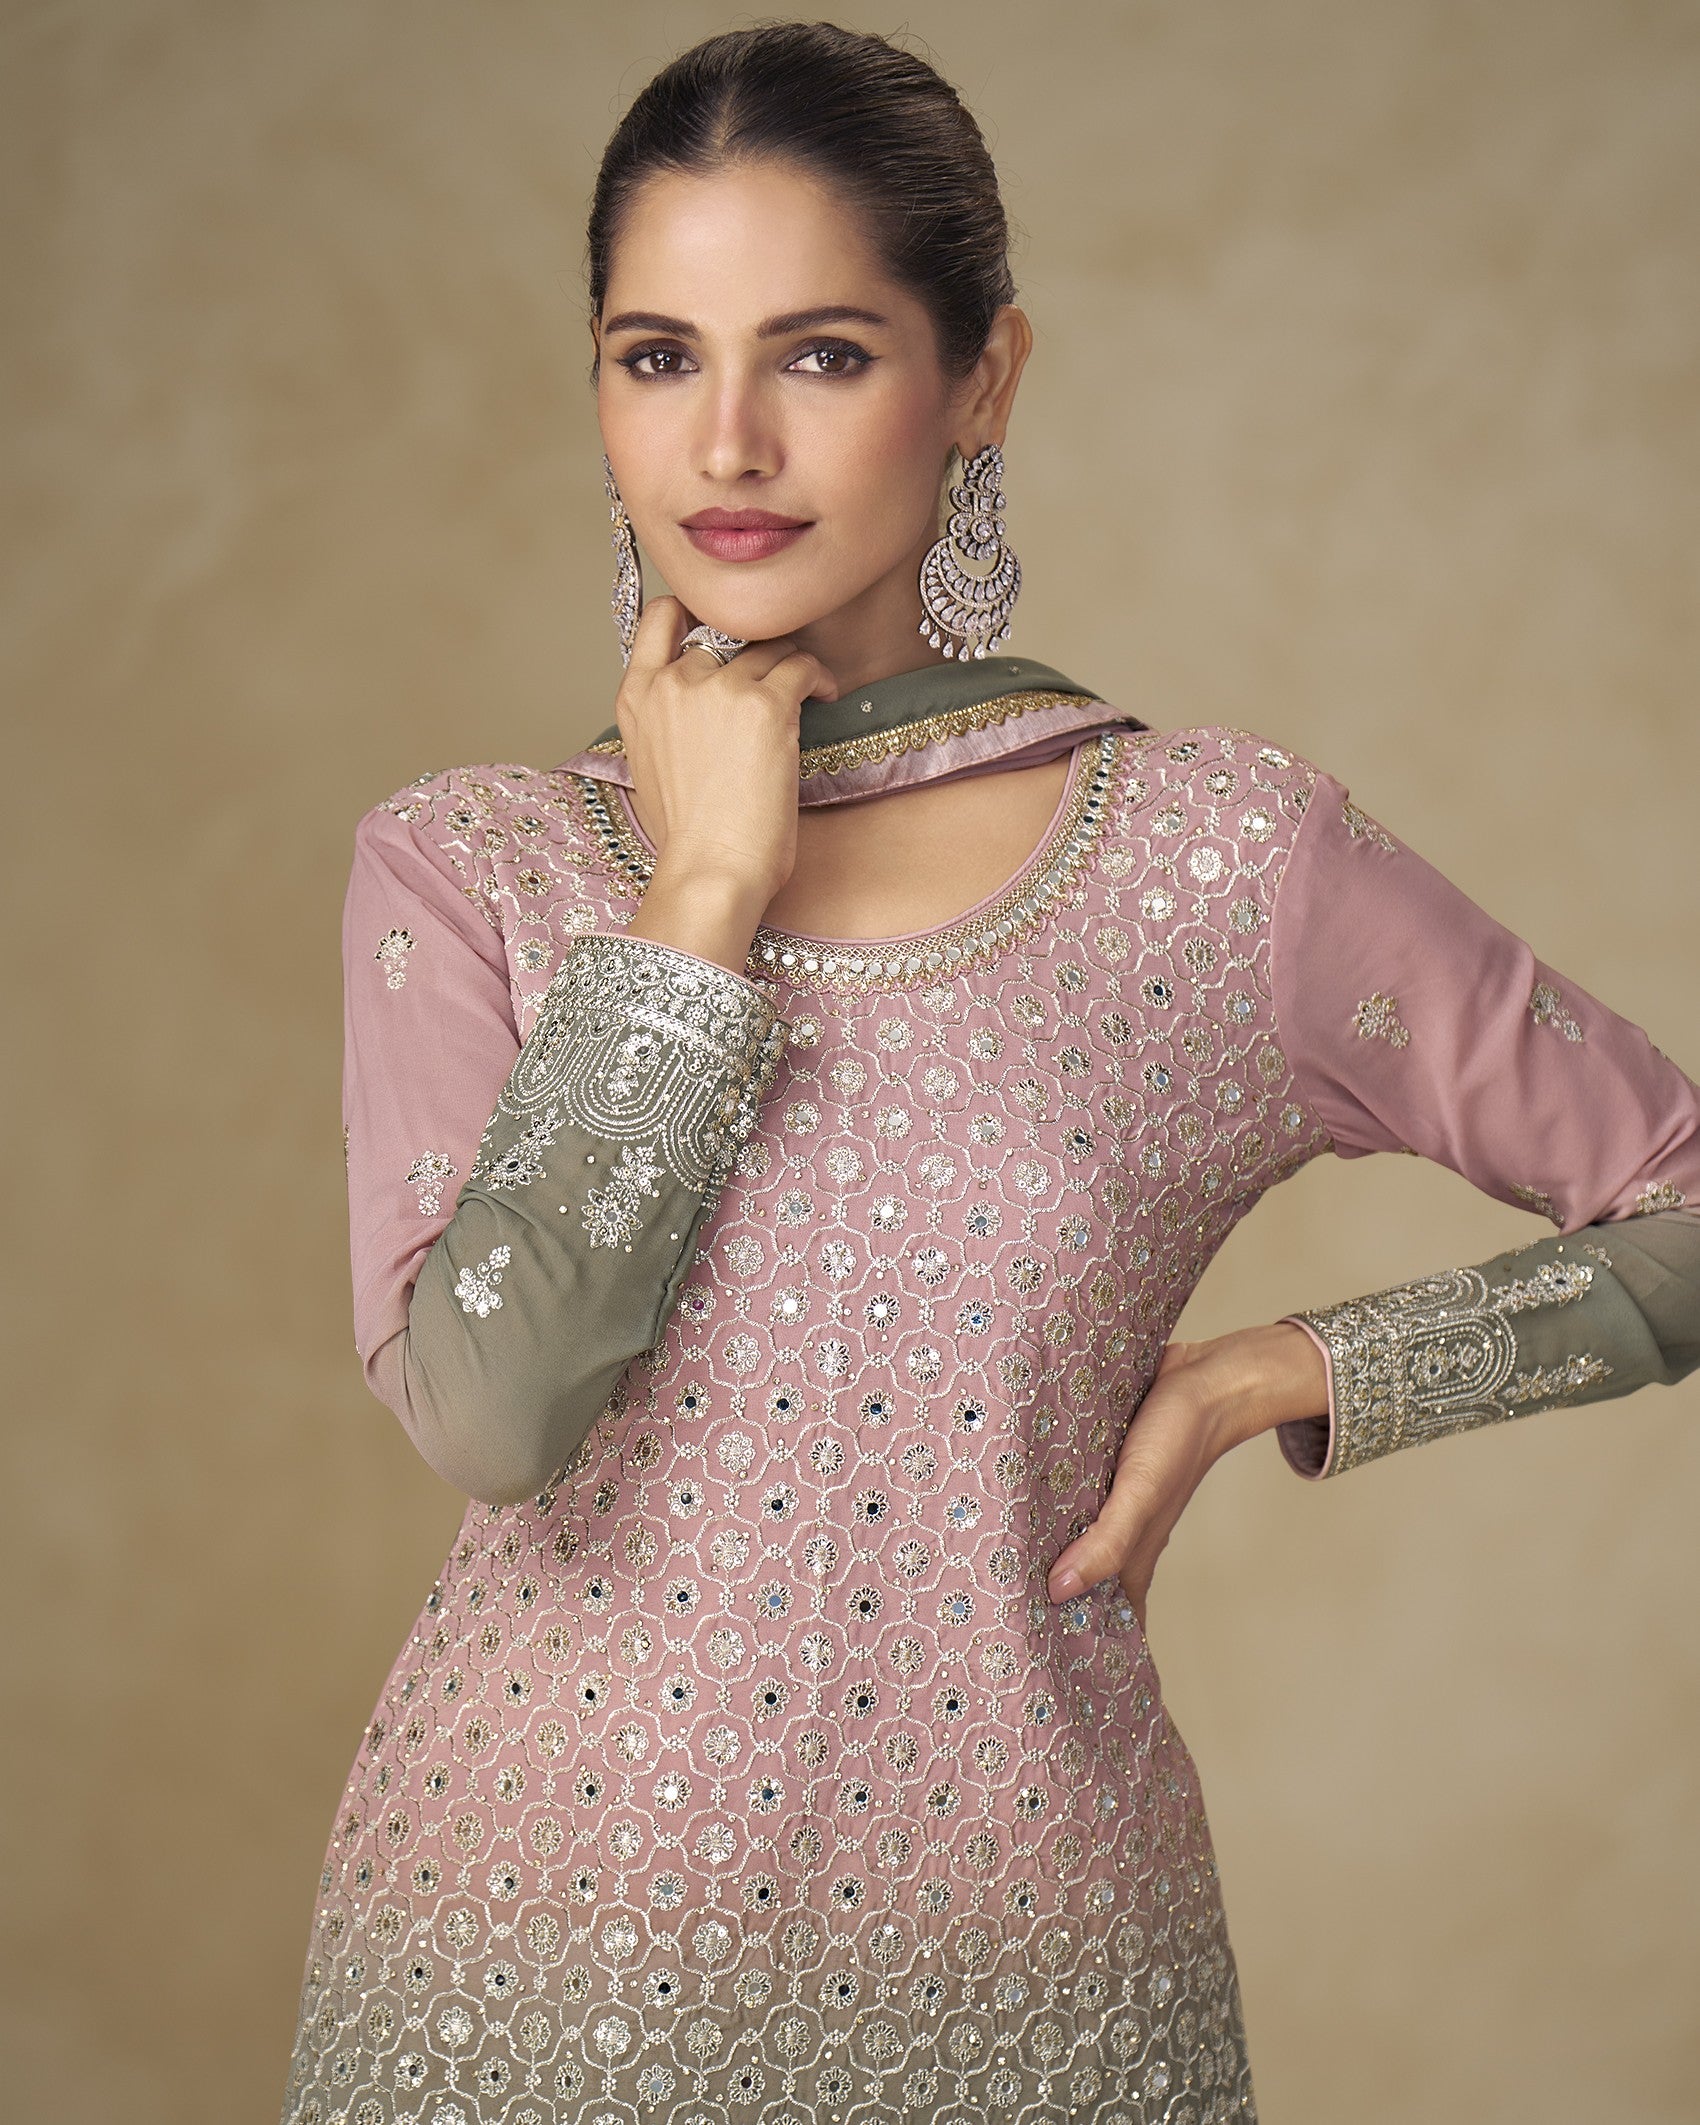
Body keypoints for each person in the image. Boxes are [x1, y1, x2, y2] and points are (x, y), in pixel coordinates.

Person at [278, 22, 1700, 2124]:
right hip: (514, 1980)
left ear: (983, 380)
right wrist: (704, 890)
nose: (728, 440)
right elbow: (495, 1410)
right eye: (658, 356)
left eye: (823, 353)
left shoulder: (1217, 862)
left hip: (1031, 1975)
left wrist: (1282, 1372)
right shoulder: (474, 865)